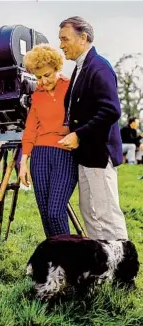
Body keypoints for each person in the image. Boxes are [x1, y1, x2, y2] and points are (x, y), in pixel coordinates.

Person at [58, 16, 128, 240]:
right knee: (90, 213)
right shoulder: (81, 68)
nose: (61, 45)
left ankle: (125, 271)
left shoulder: (99, 67)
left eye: (65, 39)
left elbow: (111, 111)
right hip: (86, 154)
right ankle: (102, 265)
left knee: (106, 213)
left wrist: (79, 134)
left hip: (98, 153)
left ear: (83, 37)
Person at [19, 44, 78, 238]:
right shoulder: (37, 96)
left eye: (47, 75)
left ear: (57, 68)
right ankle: (56, 263)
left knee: (55, 212)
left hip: (65, 153)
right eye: (38, 77)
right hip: (40, 156)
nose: (43, 81)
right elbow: (30, 130)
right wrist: (23, 162)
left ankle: (71, 262)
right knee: (46, 215)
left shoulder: (71, 86)